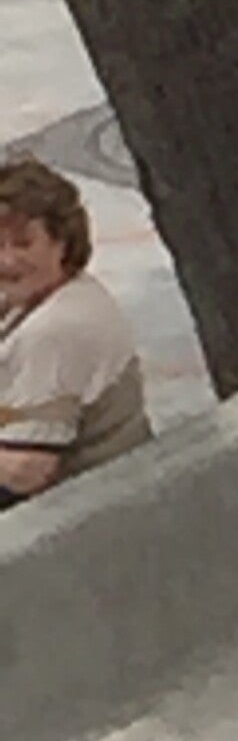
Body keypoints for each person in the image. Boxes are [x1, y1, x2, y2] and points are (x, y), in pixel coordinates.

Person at [0, 160, 151, 511]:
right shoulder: (45, 294)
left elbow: (27, 470)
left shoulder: (56, 330)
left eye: (23, 244)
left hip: (92, 512)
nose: (6, 260)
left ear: (63, 243)